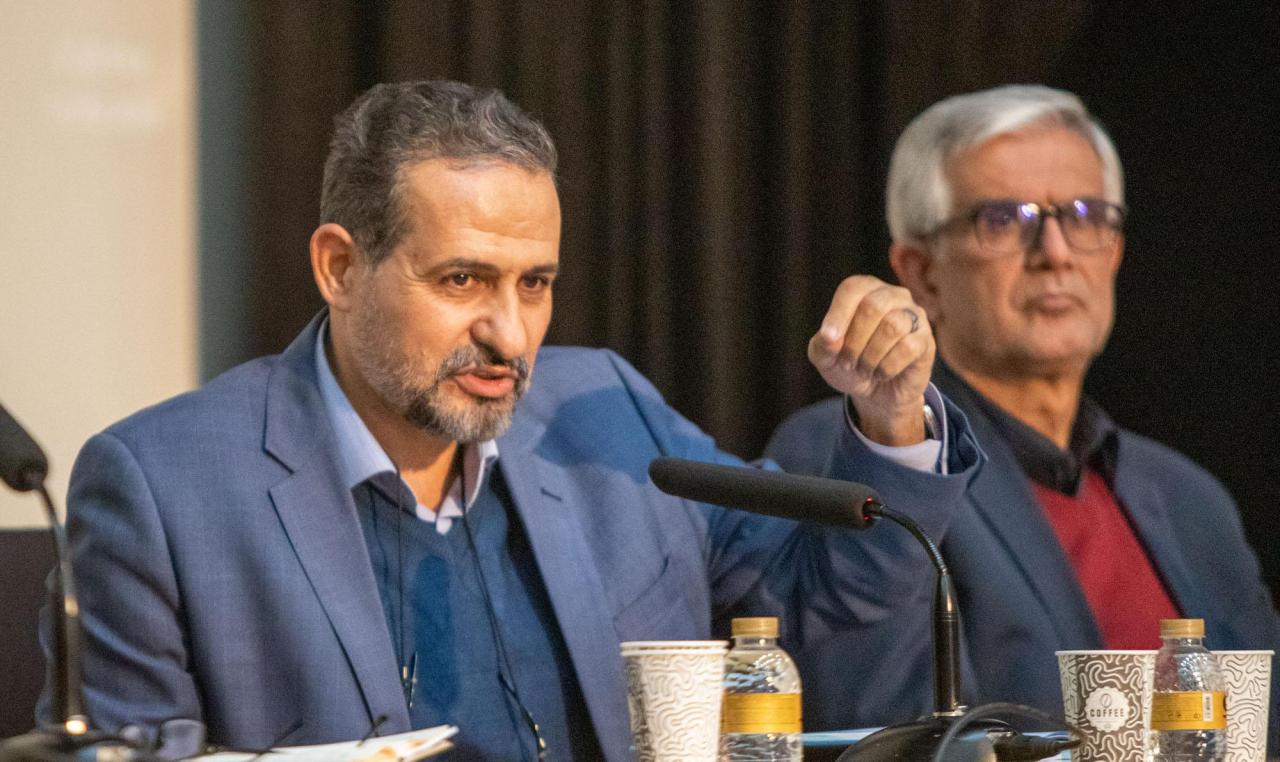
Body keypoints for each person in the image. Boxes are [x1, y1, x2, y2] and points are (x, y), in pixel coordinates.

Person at [39, 81, 982, 761]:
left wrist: (890, 414)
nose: (509, 333)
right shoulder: (165, 485)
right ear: (339, 267)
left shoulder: (603, 413)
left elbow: (828, 602)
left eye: (534, 284)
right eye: (462, 280)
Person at [766, 84, 1280, 749]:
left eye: (1085, 215)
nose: (1056, 252)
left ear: (1115, 252)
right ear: (921, 272)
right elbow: (882, 732)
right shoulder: (862, 454)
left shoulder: (1190, 500)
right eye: (1004, 219)